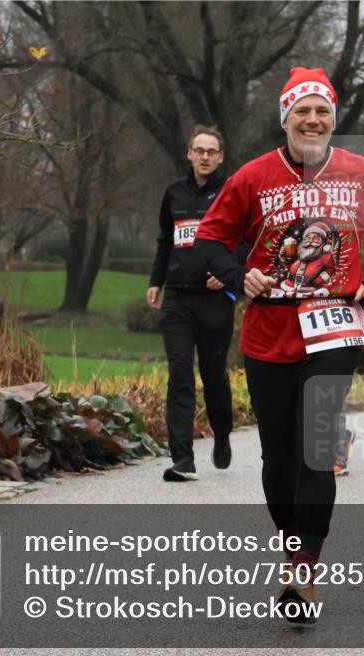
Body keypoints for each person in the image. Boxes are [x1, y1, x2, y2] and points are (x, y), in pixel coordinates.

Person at [194, 67, 364, 624]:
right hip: (269, 330)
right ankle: (292, 546)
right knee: (278, 456)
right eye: (302, 111)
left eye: (322, 111)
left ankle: (304, 569)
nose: (313, 120)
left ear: (334, 118)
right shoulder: (253, 177)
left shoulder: (361, 173)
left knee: (315, 446)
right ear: (285, 118)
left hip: (334, 325)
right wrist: (240, 275)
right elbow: (210, 239)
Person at [147, 125, 235, 481]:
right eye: (199, 150)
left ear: (220, 157)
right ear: (189, 154)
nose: (204, 157)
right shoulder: (174, 193)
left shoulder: (231, 193)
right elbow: (165, 241)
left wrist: (229, 273)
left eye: (211, 152)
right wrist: (156, 281)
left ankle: (223, 435)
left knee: (213, 377)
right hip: (178, 300)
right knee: (179, 375)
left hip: (215, 301)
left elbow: (245, 241)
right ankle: (182, 458)